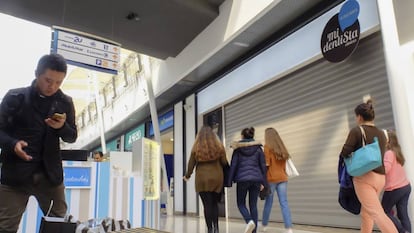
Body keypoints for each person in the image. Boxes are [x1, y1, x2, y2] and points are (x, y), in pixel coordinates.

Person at [0, 53, 77, 233]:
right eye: (48, 80)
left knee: (59, 225)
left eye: (59, 82)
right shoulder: (15, 97)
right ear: (37, 74)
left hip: (50, 176)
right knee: (5, 227)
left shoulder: (65, 102)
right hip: (15, 174)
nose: (53, 87)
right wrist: (13, 144)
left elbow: (71, 137)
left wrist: (61, 127)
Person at [339, 100, 397, 233]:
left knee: (376, 213)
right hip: (380, 178)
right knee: (367, 213)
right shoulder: (382, 133)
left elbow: (344, 152)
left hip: (365, 178)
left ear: (359, 117)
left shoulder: (357, 131)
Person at [183, 125, 229, 233]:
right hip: (217, 178)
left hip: (202, 179)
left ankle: (210, 229)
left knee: (207, 205)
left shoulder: (196, 148)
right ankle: (216, 228)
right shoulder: (219, 147)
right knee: (214, 204)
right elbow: (225, 162)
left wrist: (187, 176)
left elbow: (191, 164)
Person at [227, 127, 267, 233]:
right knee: (253, 205)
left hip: (242, 180)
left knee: (241, 203)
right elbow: (263, 166)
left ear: (242, 136)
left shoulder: (238, 150)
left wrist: (229, 181)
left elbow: (233, 165)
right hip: (256, 179)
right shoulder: (258, 149)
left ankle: (249, 221)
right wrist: (264, 182)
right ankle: (254, 231)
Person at [261, 128, 293, 233]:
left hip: (271, 179)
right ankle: (289, 228)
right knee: (284, 202)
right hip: (283, 178)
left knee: (268, 203)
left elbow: (266, 165)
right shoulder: (282, 147)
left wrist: (262, 180)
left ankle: (264, 225)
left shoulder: (267, 148)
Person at [382, 130, 411, 233]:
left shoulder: (389, 153)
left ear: (387, 140)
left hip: (394, 189)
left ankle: (403, 231)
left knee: (384, 211)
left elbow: (385, 169)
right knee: (402, 214)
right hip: (405, 187)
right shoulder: (397, 152)